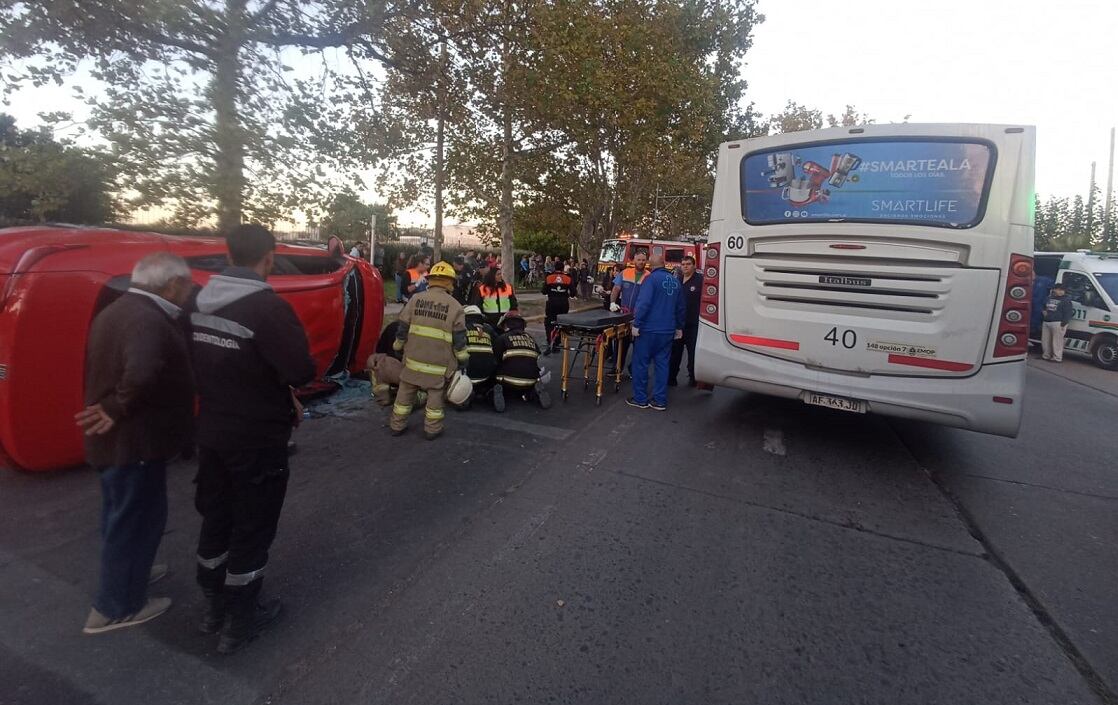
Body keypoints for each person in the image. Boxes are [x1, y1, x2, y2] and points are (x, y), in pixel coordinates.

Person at [190, 223, 317, 654]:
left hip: (211, 433)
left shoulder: (197, 301)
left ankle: (213, 609)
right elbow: (301, 370)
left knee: (216, 518)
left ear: (229, 255)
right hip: (258, 438)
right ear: (268, 258)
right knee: (253, 524)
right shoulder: (267, 309)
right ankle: (241, 621)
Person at [78, 253, 195, 635]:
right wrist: (117, 405)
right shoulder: (148, 318)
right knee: (136, 518)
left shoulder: (119, 308)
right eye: (188, 284)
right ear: (173, 284)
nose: (190, 291)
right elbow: (142, 371)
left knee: (121, 514)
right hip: (135, 441)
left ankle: (133, 573)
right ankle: (116, 607)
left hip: (120, 442)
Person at [390, 261, 469, 439]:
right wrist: (463, 360)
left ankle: (397, 425)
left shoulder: (415, 300)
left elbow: (402, 328)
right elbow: (459, 341)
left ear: (431, 280)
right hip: (438, 366)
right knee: (435, 397)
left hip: (412, 361)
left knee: (405, 393)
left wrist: (398, 347)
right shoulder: (456, 307)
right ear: (450, 282)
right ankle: (432, 430)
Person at [627, 254, 685, 411]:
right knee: (662, 364)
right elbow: (680, 307)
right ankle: (659, 400)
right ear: (664, 264)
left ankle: (640, 398)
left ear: (650, 266)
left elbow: (644, 303)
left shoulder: (650, 280)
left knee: (641, 363)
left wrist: (637, 324)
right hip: (667, 330)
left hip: (648, 330)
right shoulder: (675, 282)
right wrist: (679, 327)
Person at [493, 313, 551, 411]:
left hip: (507, 381)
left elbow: (495, 360)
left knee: (496, 381)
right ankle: (532, 393)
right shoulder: (530, 338)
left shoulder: (502, 338)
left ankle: (496, 393)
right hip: (530, 380)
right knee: (525, 388)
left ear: (506, 325)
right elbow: (535, 358)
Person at [669, 255, 704, 387]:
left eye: (688, 264)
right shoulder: (677, 280)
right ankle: (671, 378)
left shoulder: (700, 281)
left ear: (694, 266)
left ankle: (693, 377)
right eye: (683, 264)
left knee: (692, 353)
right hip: (678, 323)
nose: (685, 266)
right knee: (675, 352)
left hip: (693, 324)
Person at [462, 305, 499, 407]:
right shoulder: (488, 328)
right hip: (487, 373)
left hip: (467, 372)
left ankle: (464, 395)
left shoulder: (460, 328)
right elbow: (498, 346)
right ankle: (489, 393)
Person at [368, 321, 403, 406]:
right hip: (429, 379)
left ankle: (382, 394)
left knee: (374, 360)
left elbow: (379, 352)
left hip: (404, 375)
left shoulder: (394, 327)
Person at [542, 264, 574, 353]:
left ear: (554, 268)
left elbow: (543, 291)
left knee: (549, 323)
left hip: (551, 303)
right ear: (562, 268)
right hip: (563, 304)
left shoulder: (549, 277)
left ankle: (549, 341)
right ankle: (557, 342)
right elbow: (573, 293)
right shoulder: (568, 278)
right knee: (560, 322)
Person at [1041, 281, 1075, 362]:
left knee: (1057, 341)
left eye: (1061, 290)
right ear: (1054, 290)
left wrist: (1064, 324)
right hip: (1047, 321)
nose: (1059, 291)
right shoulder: (1049, 298)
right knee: (1045, 340)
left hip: (1058, 322)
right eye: (1058, 289)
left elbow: (1068, 313)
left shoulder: (1066, 300)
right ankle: (1046, 355)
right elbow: (1043, 305)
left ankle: (1057, 357)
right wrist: (1043, 311)